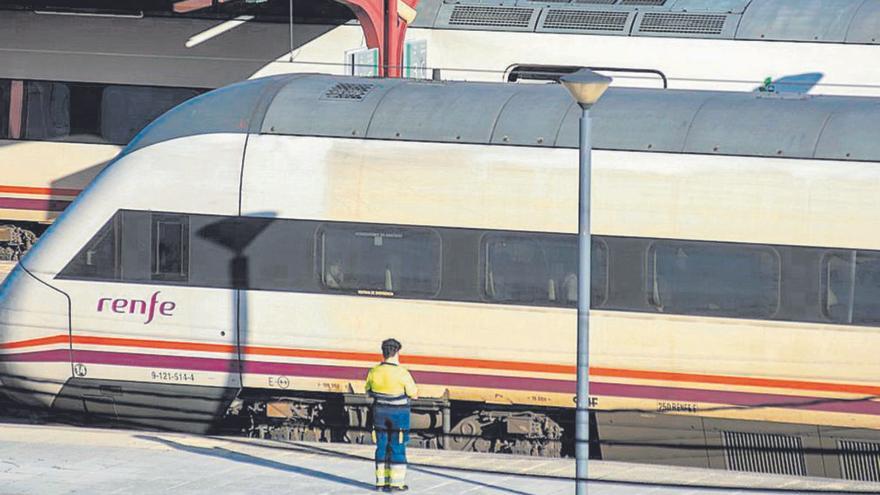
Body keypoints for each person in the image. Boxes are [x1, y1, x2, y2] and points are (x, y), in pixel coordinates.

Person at [365, 338, 418, 492]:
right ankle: (396, 483)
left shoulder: (374, 371)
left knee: (381, 446)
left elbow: (367, 390)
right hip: (398, 415)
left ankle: (381, 482)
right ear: (397, 353)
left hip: (379, 413)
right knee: (397, 446)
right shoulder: (402, 373)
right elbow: (413, 394)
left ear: (383, 353)